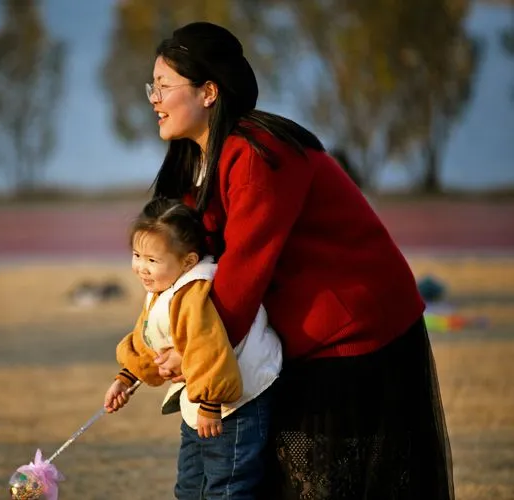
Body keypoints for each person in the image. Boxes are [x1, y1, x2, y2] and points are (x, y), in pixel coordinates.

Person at [144, 21, 455, 500]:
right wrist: (157, 344)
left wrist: (194, 351)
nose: (154, 99)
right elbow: (189, 268)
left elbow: (244, 273)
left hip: (354, 338)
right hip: (294, 341)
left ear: (208, 92)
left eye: (163, 86)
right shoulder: (194, 162)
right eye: (153, 87)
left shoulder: (257, 152)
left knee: (325, 485)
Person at [104, 197, 282, 499]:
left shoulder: (193, 295)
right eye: (137, 255)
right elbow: (148, 336)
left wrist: (211, 405)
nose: (141, 268)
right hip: (201, 404)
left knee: (227, 487)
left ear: (188, 261)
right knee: (190, 486)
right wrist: (126, 378)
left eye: (152, 260)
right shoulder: (163, 288)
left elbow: (207, 349)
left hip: (232, 406)